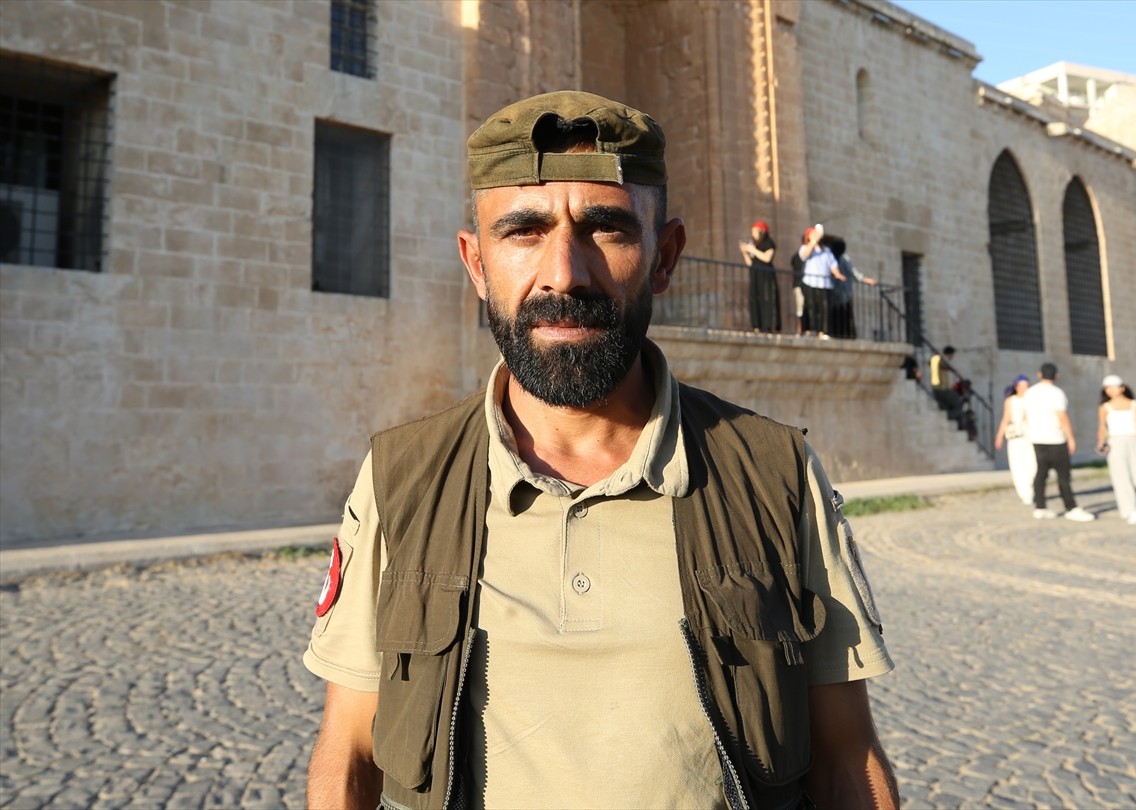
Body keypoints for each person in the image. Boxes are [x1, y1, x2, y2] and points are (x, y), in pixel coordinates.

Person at [303, 90, 899, 810]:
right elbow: (350, 752)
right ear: (475, 262)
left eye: (605, 229)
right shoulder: (404, 478)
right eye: (522, 232)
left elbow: (846, 762)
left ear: (665, 256)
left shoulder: (771, 475)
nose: (565, 273)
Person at [1024, 362, 1094, 521]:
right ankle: (1070, 507)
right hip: (1055, 438)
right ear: (1056, 376)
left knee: (1041, 473)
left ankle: (1040, 506)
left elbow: (1026, 415)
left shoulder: (1030, 393)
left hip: (1037, 438)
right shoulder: (1057, 393)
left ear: (1039, 374)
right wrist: (1070, 437)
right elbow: (1062, 416)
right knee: (1063, 475)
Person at [1095, 374, 1136, 525]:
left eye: (1113, 387)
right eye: (1107, 388)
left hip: (1134, 440)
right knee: (1121, 477)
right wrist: (1101, 442)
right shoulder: (1105, 407)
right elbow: (1102, 426)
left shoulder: (1135, 405)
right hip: (1115, 442)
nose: (1110, 391)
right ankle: (1131, 510)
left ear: (1122, 388)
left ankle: (1130, 506)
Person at [993, 374, 1036, 505]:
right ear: (1016, 387)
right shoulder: (1011, 400)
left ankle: (1030, 487)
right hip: (1016, 435)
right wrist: (999, 436)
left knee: (1033, 463)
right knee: (1018, 464)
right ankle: (1024, 492)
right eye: (1022, 386)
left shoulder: (1032, 399)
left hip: (1031, 433)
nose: (1024, 388)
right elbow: (1006, 418)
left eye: (1026, 386)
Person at [798, 223, 845, 339]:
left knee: (824, 308)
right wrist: (813, 241)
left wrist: (837, 274)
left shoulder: (827, 251)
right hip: (810, 282)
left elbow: (832, 264)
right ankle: (810, 330)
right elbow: (804, 255)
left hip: (825, 284)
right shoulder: (806, 247)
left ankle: (823, 332)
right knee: (811, 307)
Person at [826, 236, 877, 339]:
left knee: (839, 317)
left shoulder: (834, 258)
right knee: (844, 317)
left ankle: (839, 335)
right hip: (842, 294)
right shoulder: (843, 259)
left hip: (837, 294)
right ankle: (846, 335)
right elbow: (854, 273)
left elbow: (853, 273)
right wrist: (866, 280)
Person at [740, 220, 779, 332]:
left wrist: (752, 250)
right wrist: (745, 253)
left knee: (767, 299)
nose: (752, 234)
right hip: (755, 275)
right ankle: (757, 326)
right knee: (755, 299)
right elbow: (750, 264)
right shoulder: (753, 245)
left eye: (755, 231)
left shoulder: (768, 243)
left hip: (766, 276)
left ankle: (768, 326)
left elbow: (767, 258)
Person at [930, 346, 963, 424]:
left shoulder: (939, 359)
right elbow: (942, 366)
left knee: (945, 407)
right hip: (942, 389)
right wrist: (952, 370)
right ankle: (950, 418)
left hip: (938, 389)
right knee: (958, 403)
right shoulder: (942, 359)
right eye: (952, 354)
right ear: (950, 353)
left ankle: (947, 420)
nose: (953, 357)